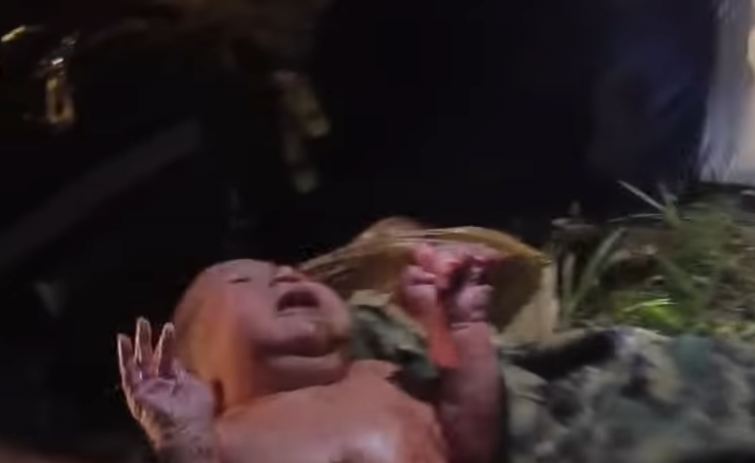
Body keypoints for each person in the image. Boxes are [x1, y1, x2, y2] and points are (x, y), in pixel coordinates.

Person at [116, 243, 504, 463]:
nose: (286, 274)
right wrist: (185, 443)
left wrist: (462, 327)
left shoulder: (379, 378)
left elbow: (470, 435)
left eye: (299, 275)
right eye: (242, 280)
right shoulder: (223, 439)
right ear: (196, 382)